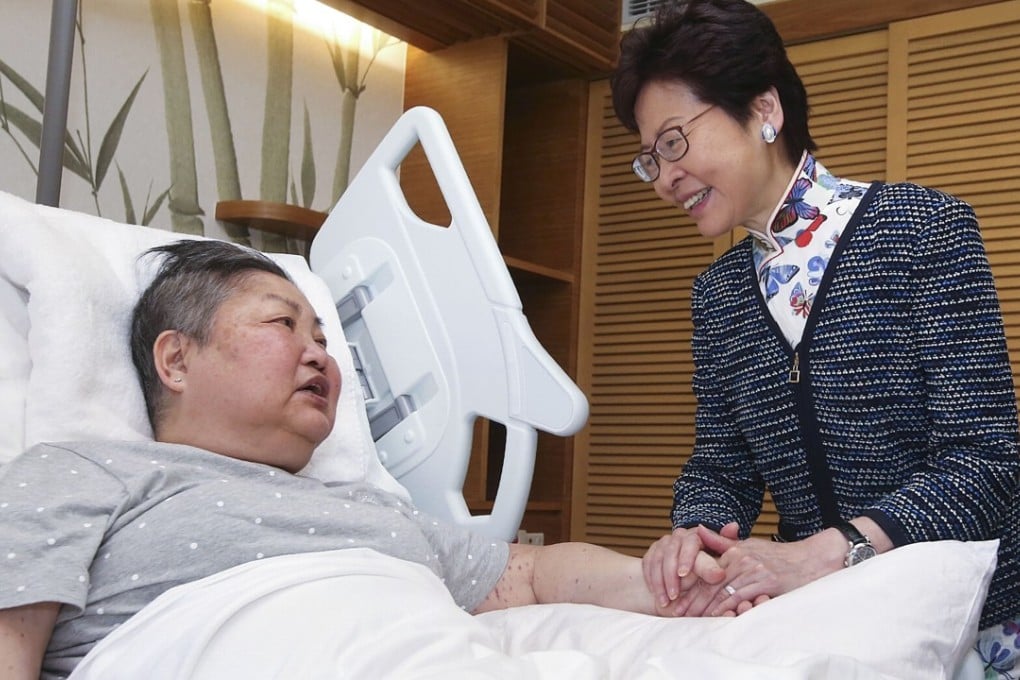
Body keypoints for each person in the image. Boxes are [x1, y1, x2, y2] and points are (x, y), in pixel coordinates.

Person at [0, 239, 673, 680]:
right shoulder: (84, 472)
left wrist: (669, 580)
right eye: (280, 324)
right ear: (176, 359)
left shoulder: (366, 505)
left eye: (322, 335)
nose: (319, 353)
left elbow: (530, 574)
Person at [609, 0, 1020, 672]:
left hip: (980, 609)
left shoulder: (924, 229)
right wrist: (693, 536)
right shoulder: (715, 299)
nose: (664, 179)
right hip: (837, 617)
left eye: (675, 142)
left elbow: (983, 462)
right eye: (650, 160)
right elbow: (721, 465)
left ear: (764, 110)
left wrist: (823, 553)